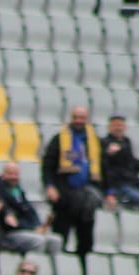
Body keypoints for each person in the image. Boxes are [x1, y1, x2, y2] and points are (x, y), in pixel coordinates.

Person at [42, 106, 104, 259]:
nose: (78, 121)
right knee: (60, 236)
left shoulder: (94, 141)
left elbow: (103, 167)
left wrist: (108, 192)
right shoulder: (59, 139)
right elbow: (48, 166)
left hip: (86, 197)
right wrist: (50, 186)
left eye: (81, 118)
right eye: (75, 117)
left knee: (86, 241)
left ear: (87, 119)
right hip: (65, 196)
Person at [0, 161, 60, 255]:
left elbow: (29, 210)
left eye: (16, 174)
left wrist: (38, 226)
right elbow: (11, 221)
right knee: (37, 240)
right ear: (3, 174)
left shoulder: (17, 190)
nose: (14, 177)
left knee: (56, 240)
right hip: (9, 233)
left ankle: (53, 264)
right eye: (10, 174)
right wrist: (33, 229)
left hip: (28, 229)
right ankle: (32, 263)